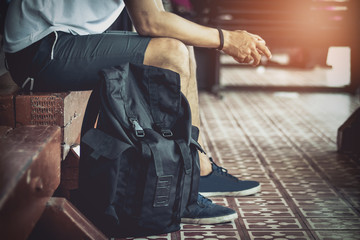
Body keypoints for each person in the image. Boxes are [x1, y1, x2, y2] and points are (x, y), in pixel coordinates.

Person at [3, 0, 272, 225]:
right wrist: (226, 39)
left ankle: (195, 172)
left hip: (63, 41)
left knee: (182, 46)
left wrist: (223, 39)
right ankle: (175, 191)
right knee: (171, 52)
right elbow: (150, 21)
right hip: (39, 51)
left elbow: (157, 15)